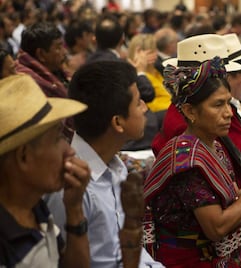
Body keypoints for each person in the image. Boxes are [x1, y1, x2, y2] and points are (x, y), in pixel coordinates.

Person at [145, 57, 241, 267]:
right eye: (217, 105)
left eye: (228, 103)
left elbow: (225, 200)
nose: (228, 114)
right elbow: (217, 228)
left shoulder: (213, 145)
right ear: (190, 112)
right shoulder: (187, 161)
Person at [46, 60, 164, 268]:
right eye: (138, 102)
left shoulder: (115, 165)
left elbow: (132, 253)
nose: (145, 108)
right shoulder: (72, 185)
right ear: (118, 123)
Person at [0, 74, 90, 267]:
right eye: (57, 139)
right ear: (24, 156)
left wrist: (74, 209)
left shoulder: (34, 206)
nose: (70, 150)